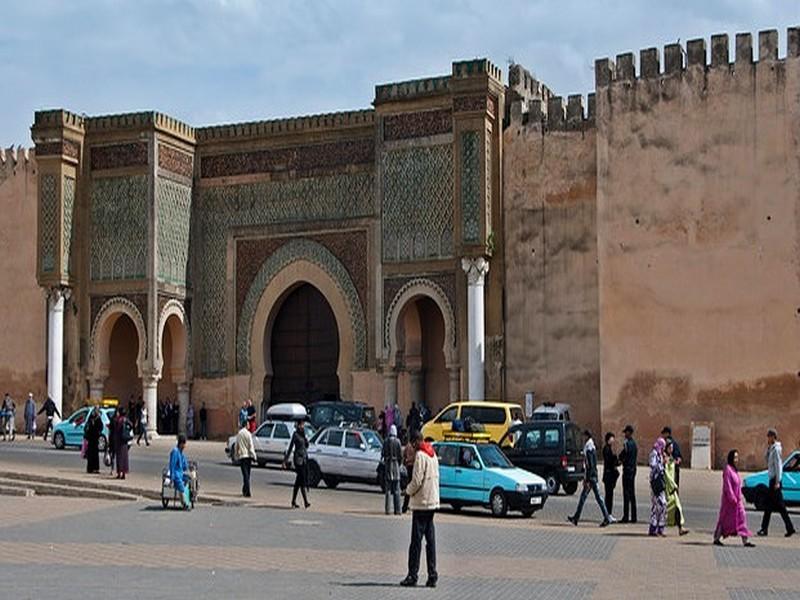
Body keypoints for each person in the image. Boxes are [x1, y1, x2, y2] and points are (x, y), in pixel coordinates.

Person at [400, 430, 440, 588]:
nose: (412, 447)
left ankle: (412, 575)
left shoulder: (420, 456)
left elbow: (416, 480)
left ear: (416, 442)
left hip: (421, 502)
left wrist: (407, 491)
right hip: (432, 502)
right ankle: (432, 575)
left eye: (412, 443)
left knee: (415, 542)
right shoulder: (433, 454)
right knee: (431, 541)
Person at [568, 430, 613, 527]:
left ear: (587, 436)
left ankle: (606, 517)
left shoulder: (588, 448)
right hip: (592, 476)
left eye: (584, 436)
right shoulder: (591, 447)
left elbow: (590, 465)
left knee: (590, 498)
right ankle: (576, 518)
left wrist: (588, 479)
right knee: (591, 498)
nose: (583, 438)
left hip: (591, 478)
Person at [757, 428, 796, 538]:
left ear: (773, 437)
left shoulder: (777, 449)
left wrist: (778, 481)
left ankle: (789, 528)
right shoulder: (771, 448)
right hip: (772, 480)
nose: (768, 439)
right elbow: (766, 459)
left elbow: (779, 465)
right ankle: (765, 528)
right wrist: (768, 448)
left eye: (769, 437)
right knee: (769, 506)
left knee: (780, 506)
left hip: (775, 481)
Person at [714, 449, 755, 547]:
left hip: (737, 501)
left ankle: (745, 540)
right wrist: (732, 497)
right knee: (724, 519)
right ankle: (717, 538)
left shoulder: (734, 470)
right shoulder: (728, 469)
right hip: (729, 501)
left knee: (742, 517)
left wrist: (738, 497)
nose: (737, 460)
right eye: (735, 457)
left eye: (737, 457)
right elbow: (727, 485)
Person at [284, 420, 310, 509]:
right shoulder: (295, 435)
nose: (302, 427)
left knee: (298, 482)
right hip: (298, 460)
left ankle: (293, 501)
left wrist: (305, 437)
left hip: (304, 460)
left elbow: (307, 445)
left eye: (303, 425)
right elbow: (291, 447)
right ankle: (306, 502)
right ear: (298, 425)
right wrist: (285, 460)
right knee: (301, 479)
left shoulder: (303, 434)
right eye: (301, 425)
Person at [665, 440, 688, 536]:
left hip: (673, 487)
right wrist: (672, 485)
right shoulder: (664, 459)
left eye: (672, 448)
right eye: (670, 448)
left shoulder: (670, 458)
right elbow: (666, 474)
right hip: (668, 487)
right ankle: (659, 527)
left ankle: (680, 527)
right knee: (666, 508)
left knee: (677, 506)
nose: (671, 449)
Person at [648, 437, 667, 537]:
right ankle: (653, 528)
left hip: (660, 482)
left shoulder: (659, 454)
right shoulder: (654, 453)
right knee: (656, 506)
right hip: (655, 483)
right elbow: (652, 465)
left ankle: (661, 527)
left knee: (663, 505)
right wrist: (661, 464)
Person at [619, 424, 638, 523]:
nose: (625, 434)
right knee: (632, 494)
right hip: (633, 470)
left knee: (626, 494)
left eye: (626, 432)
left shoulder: (627, 444)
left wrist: (620, 460)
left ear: (629, 433)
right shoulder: (634, 444)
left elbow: (623, 456)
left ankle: (626, 516)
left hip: (627, 470)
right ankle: (634, 517)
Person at [382, 424, 403, 515]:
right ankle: (397, 509)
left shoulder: (386, 441)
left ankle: (387, 510)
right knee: (397, 490)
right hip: (395, 467)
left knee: (388, 491)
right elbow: (400, 456)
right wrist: (400, 464)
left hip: (388, 466)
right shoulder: (398, 442)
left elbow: (383, 453)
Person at [169, 434, 192, 509]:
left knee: (191, 479)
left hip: (181, 473)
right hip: (176, 474)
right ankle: (184, 503)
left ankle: (190, 496)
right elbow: (172, 466)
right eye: (184, 444)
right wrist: (172, 479)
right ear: (181, 444)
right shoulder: (175, 452)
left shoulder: (181, 453)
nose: (185, 446)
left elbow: (184, 465)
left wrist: (189, 469)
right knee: (181, 487)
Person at [235, 420, 257, 497]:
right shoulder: (248, 434)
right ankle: (247, 491)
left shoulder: (239, 433)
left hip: (242, 456)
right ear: (246, 425)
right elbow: (251, 446)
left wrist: (236, 455)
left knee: (245, 475)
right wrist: (254, 456)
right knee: (247, 475)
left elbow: (236, 446)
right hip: (248, 457)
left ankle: (245, 490)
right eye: (248, 424)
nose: (249, 426)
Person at [602, 432, 619, 517]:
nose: (613, 440)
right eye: (612, 438)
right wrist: (615, 459)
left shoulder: (609, 448)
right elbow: (609, 461)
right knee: (608, 496)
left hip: (609, 475)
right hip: (608, 476)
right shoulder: (606, 449)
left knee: (609, 495)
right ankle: (607, 513)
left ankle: (608, 513)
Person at [114, 407, 133, 480]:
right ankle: (124, 473)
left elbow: (115, 428)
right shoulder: (126, 420)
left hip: (119, 440)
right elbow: (131, 425)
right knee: (124, 458)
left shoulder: (117, 420)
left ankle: (119, 473)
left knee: (119, 458)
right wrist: (127, 430)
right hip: (124, 441)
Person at [402, 431, 417, 514]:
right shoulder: (414, 447)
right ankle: (409, 505)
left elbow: (404, 456)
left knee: (409, 486)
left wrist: (406, 461)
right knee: (412, 486)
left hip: (408, 467)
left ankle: (405, 506)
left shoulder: (407, 446)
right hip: (412, 467)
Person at [84, 406, 103, 474]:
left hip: (94, 438)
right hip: (91, 438)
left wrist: (98, 432)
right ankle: (90, 468)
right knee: (91, 454)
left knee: (94, 454)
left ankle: (95, 468)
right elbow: (87, 426)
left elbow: (101, 427)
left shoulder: (98, 419)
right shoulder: (91, 418)